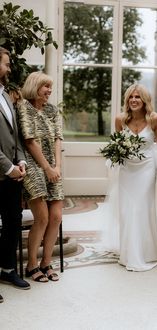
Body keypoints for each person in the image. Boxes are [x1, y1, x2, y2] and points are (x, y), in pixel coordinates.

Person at [107, 84, 157, 271]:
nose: (133, 100)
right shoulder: (120, 119)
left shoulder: (155, 119)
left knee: (141, 208)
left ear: (144, 100)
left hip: (147, 168)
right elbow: (116, 144)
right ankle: (129, 252)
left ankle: (147, 252)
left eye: (138, 97)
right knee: (127, 210)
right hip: (126, 170)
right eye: (131, 97)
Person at [17, 71, 64, 282]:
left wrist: (57, 167)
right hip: (34, 165)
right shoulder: (23, 108)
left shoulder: (52, 110)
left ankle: (46, 262)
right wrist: (46, 168)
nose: (49, 91)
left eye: (50, 87)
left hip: (53, 167)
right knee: (42, 218)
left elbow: (57, 139)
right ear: (35, 86)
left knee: (56, 217)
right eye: (46, 86)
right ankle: (31, 265)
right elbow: (29, 140)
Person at [0, 47, 31, 300]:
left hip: (13, 176)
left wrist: (20, 161)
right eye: (7, 64)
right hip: (2, 172)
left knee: (13, 223)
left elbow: (16, 135)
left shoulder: (6, 96)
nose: (10, 68)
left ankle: (8, 269)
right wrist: (7, 168)